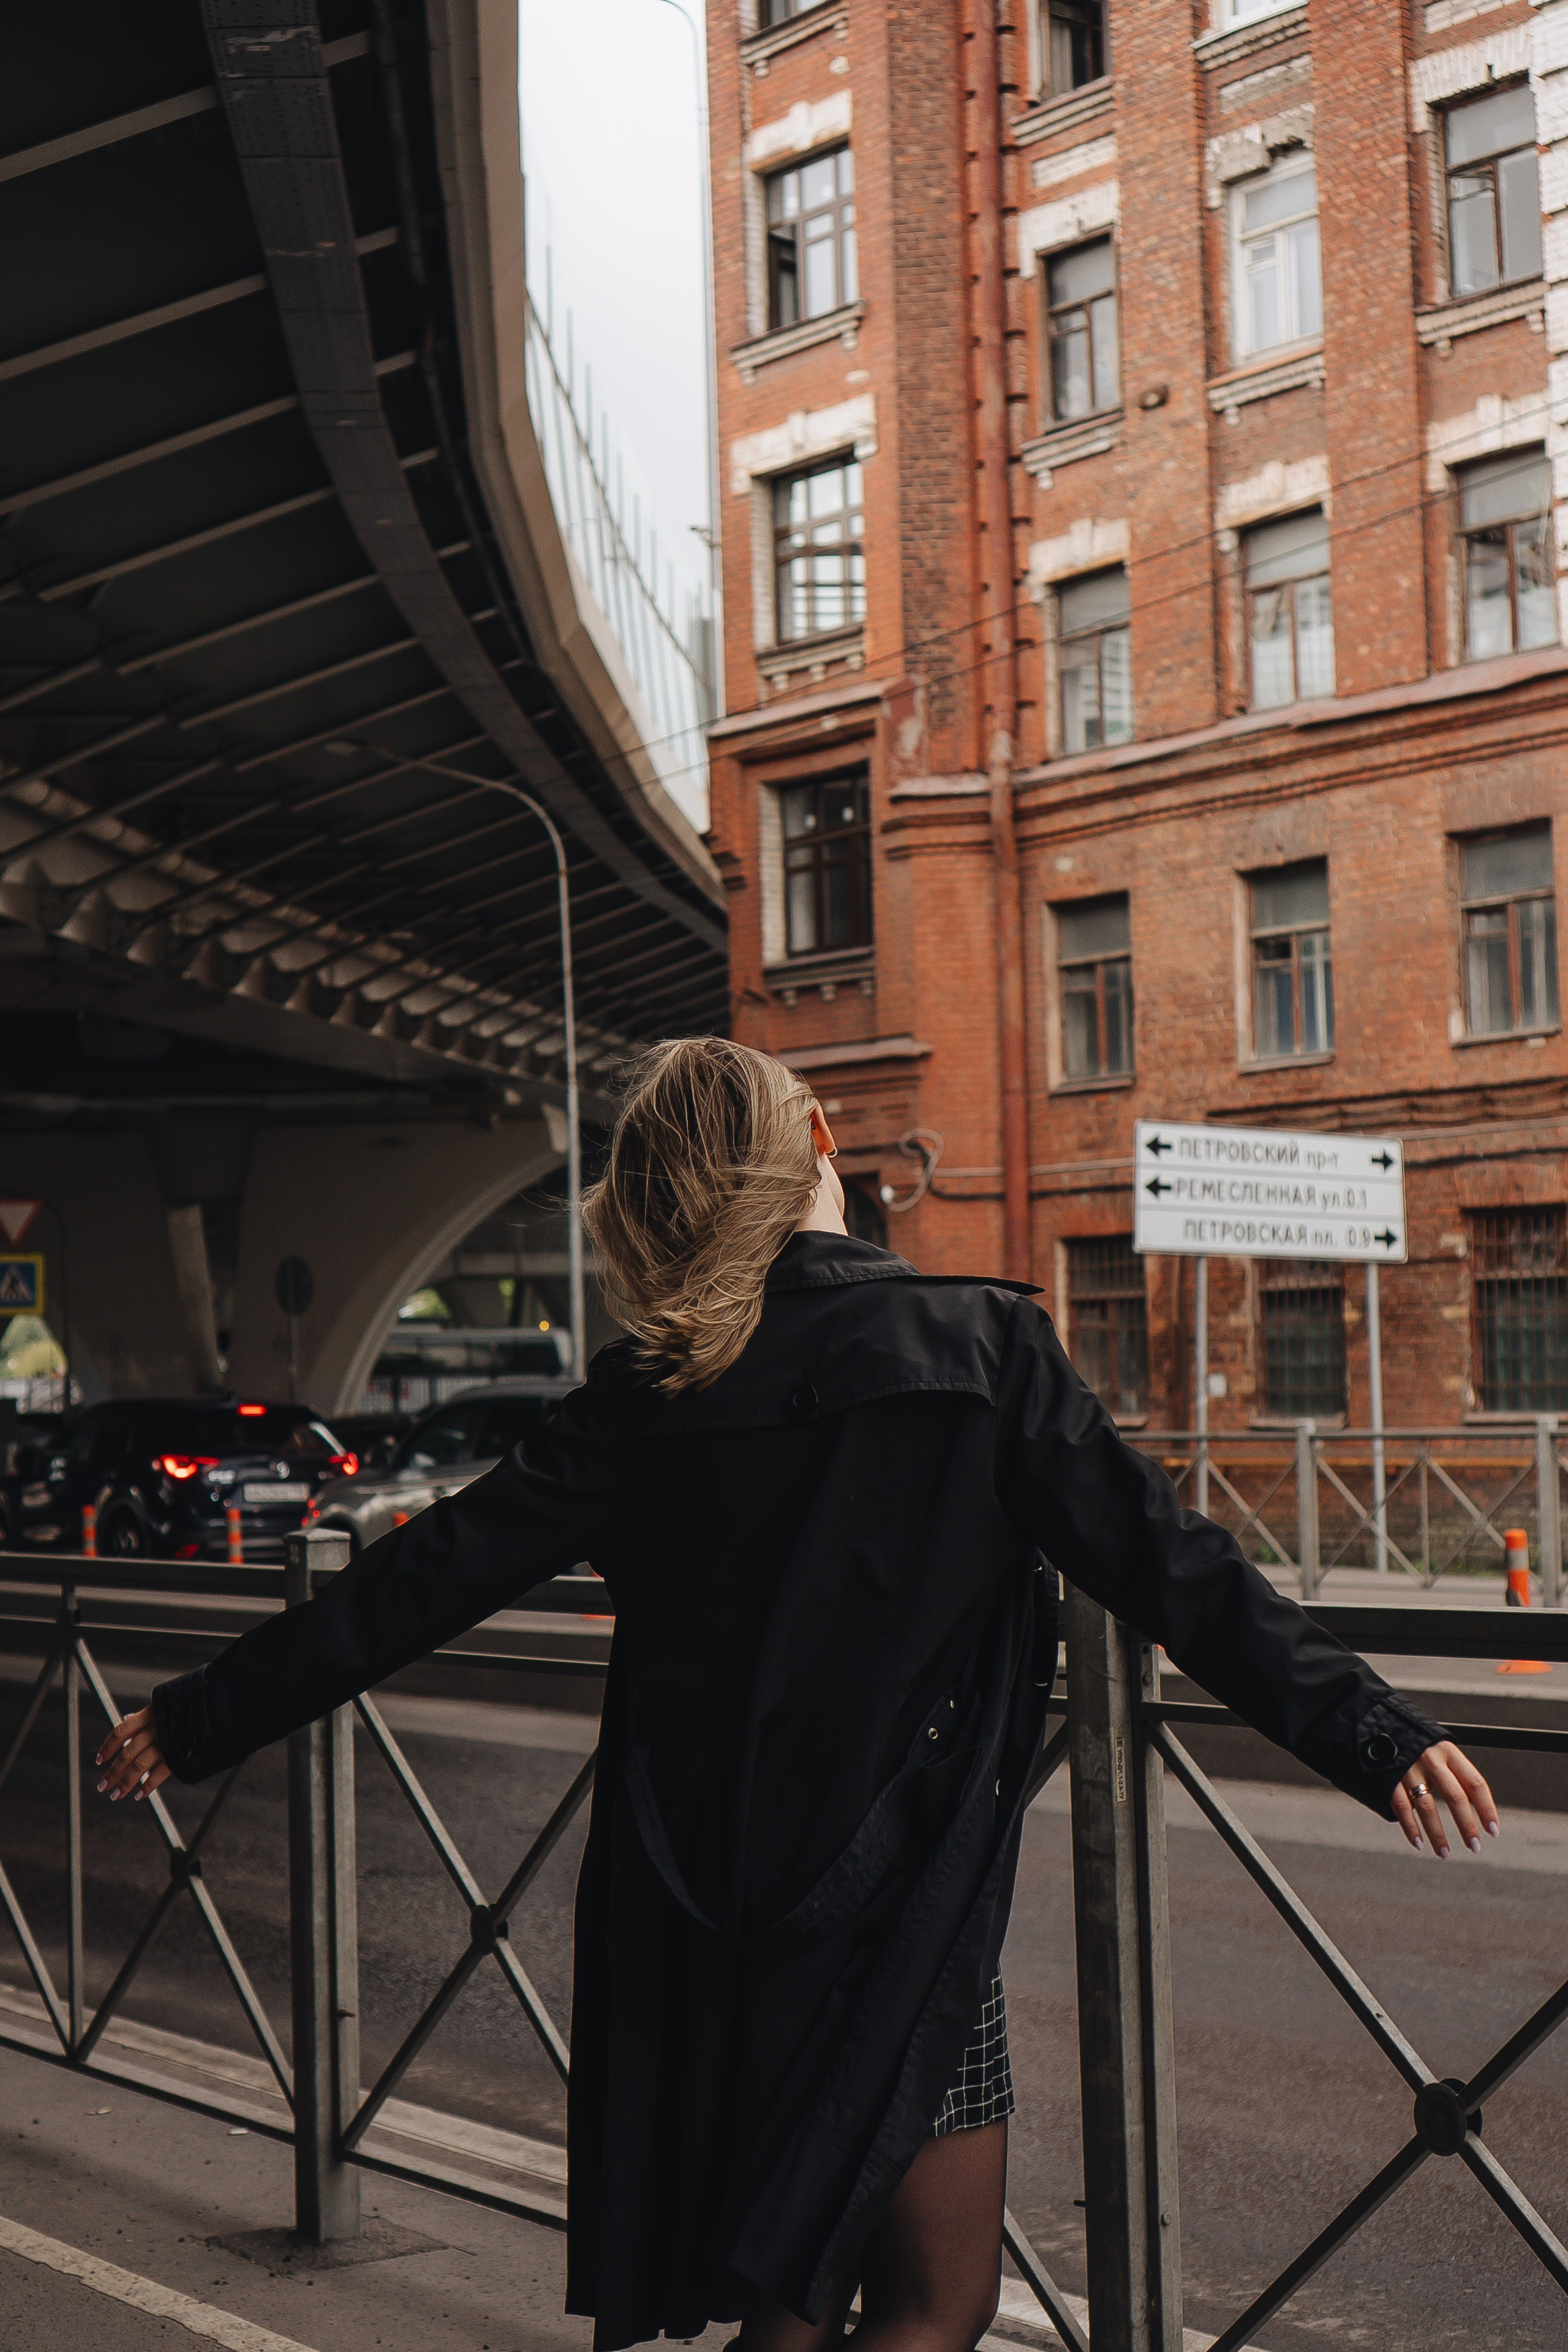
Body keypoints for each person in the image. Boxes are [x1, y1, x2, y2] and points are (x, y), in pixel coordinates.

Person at [98, 1038, 1498, 2352]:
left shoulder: (641, 1396)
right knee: (933, 2299)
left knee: (785, 2280)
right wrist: (1374, 1738)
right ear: (823, 1145)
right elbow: (1173, 1573)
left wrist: (203, 1717)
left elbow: (417, 1585)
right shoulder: (980, 1351)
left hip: (691, 1900)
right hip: (898, 1902)